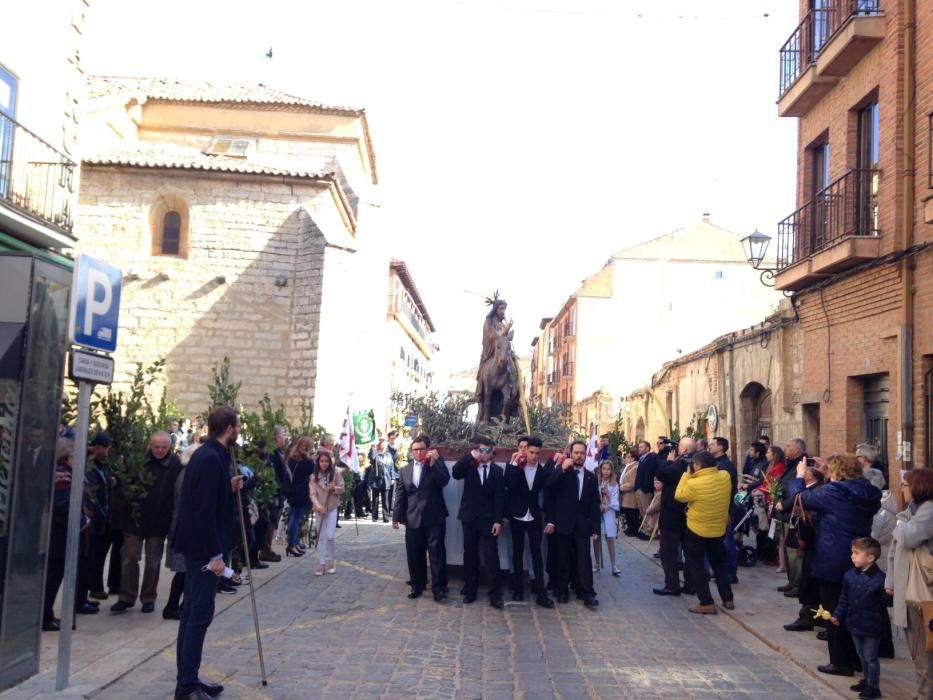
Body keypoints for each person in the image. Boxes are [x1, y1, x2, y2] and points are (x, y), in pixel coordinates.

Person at [171, 405, 243, 700]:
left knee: (191, 616)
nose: (238, 432)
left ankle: (188, 679)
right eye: (237, 427)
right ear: (228, 428)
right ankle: (186, 687)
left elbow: (209, 497)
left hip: (199, 546)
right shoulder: (211, 458)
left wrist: (229, 487)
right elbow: (202, 512)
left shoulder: (209, 455)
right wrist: (215, 555)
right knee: (198, 617)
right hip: (204, 550)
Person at [787, 453, 881, 678]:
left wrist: (799, 476)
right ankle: (857, 660)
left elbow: (799, 498)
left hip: (833, 558)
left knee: (834, 611)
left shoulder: (834, 492)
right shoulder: (865, 491)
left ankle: (840, 662)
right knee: (852, 609)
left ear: (837, 472)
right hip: (857, 553)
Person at [111, 432, 181, 614]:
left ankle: (148, 597)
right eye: (156, 446)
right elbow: (124, 485)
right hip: (134, 519)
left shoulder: (175, 464)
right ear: (150, 446)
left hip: (158, 521)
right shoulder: (138, 462)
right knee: (129, 557)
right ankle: (126, 596)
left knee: (153, 561)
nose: (159, 450)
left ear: (169, 447)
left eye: (164, 447)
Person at [886, 468, 933, 700]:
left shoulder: (928, 511)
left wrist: (899, 521)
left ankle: (926, 694)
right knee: (915, 646)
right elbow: (894, 552)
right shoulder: (911, 511)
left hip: (922, 591)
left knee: (923, 646)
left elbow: (908, 537)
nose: (902, 488)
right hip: (907, 586)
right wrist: (890, 580)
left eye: (905, 484)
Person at [674, 450, 735, 614]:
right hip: (718, 528)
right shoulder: (725, 477)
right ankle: (727, 598)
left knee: (697, 566)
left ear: (699, 465)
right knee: (719, 564)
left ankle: (706, 601)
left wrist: (687, 475)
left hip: (697, 529)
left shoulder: (694, 484)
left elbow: (679, 495)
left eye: (694, 464)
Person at [392, 435, 449, 602]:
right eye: (415, 450)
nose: (419, 452)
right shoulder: (405, 470)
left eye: (422, 449)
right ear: (412, 451)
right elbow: (401, 495)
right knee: (414, 554)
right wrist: (396, 516)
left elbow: (444, 481)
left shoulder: (437, 463)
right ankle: (417, 585)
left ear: (428, 449)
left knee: (436, 554)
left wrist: (433, 464)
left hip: (434, 517)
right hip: (413, 518)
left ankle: (438, 589)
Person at [452, 436, 506, 608]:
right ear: (477, 450)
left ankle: (495, 594)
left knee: (491, 557)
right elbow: (455, 473)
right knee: (470, 555)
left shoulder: (498, 471)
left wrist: (498, 521)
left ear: (492, 452)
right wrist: (470, 457)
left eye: (487, 450)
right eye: (481, 450)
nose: (484, 453)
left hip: (488, 521)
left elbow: (499, 498)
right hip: (469, 518)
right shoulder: (470, 466)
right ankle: (470, 590)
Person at [545, 440, 600, 608]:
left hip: (582, 526)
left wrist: (596, 528)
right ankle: (562, 591)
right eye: (576, 453)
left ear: (585, 455)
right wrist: (561, 468)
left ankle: (587, 593)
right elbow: (548, 485)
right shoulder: (563, 472)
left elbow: (594, 505)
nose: (579, 456)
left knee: (584, 559)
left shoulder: (591, 477)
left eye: (582, 453)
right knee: (564, 559)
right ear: (570, 453)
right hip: (563, 524)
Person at [832, 537, 887, 700]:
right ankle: (865, 679)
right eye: (852, 552)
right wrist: (837, 614)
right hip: (854, 621)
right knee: (861, 654)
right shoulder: (849, 575)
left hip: (872, 624)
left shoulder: (880, 579)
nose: (852, 556)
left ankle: (873, 686)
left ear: (870, 558)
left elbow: (885, 602)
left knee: (870, 656)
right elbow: (844, 598)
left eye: (856, 553)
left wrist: (889, 594)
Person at [503, 437, 554, 607]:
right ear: (526, 451)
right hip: (517, 515)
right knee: (517, 552)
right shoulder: (515, 467)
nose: (534, 455)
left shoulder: (543, 471)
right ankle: (518, 588)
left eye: (537, 453)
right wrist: (516, 466)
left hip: (534, 516)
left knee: (536, 553)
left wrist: (550, 520)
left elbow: (548, 495)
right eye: (531, 452)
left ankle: (541, 592)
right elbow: (509, 485)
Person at [163, 443, 202, 620]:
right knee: (184, 570)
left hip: (184, 528)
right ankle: (172, 606)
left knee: (186, 570)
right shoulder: (187, 476)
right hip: (183, 529)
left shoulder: (187, 474)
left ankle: (181, 605)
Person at [653, 437, 695, 597]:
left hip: (672, 514)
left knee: (668, 552)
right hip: (689, 513)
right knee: (690, 551)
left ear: (683, 450)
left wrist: (669, 461)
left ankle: (672, 585)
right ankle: (691, 584)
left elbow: (662, 473)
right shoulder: (698, 463)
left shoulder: (679, 464)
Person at [85, 432, 113, 603]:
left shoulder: (101, 464)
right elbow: (92, 492)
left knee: (98, 555)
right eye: (106, 447)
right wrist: (100, 513)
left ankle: (95, 586)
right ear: (98, 447)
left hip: (102, 516)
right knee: (92, 555)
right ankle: (92, 588)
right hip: (95, 518)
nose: (108, 451)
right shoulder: (90, 465)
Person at [310, 450, 345, 576]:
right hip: (320, 509)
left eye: (326, 461)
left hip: (331, 507)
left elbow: (342, 488)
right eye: (321, 461)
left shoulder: (335, 474)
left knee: (330, 535)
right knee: (321, 536)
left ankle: (331, 560)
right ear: (318, 462)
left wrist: (335, 488)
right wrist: (319, 507)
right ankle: (321, 562)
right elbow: (312, 494)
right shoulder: (314, 476)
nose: (324, 464)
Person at [710, 436, 739, 585]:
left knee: (727, 540)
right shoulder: (716, 463)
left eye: (713, 444)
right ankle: (720, 570)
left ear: (720, 447)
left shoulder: (726, 465)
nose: (710, 445)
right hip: (717, 507)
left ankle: (730, 572)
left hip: (725, 508)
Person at [259, 426, 289, 562]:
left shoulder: (276, 451)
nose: (286, 437)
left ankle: (267, 547)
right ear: (277, 437)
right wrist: (277, 488)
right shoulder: (271, 453)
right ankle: (265, 549)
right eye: (284, 435)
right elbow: (273, 472)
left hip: (278, 491)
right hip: (273, 491)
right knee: (270, 520)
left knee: (273, 521)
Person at [284, 436, 315, 557]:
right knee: (295, 520)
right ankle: (292, 545)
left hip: (293, 491)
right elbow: (313, 472)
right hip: (301, 491)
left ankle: (294, 543)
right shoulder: (306, 461)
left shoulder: (292, 459)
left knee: (294, 518)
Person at [594, 460, 620, 576]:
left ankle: (614, 565)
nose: (606, 471)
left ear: (611, 470)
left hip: (608, 513)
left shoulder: (614, 484)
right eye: (604, 469)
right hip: (597, 514)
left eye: (608, 469)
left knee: (610, 539)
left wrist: (607, 505)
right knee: (596, 538)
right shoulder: (596, 482)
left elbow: (615, 501)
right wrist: (598, 505)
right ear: (600, 470)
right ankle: (597, 563)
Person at [633, 440, 658, 541]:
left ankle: (649, 532)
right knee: (642, 511)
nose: (639, 449)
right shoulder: (642, 458)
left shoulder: (651, 458)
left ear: (647, 448)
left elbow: (649, 474)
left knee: (647, 511)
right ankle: (645, 530)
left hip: (645, 489)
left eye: (642, 447)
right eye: (639, 447)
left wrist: (645, 488)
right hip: (639, 488)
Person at [366, 439, 391, 522]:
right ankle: (374, 516)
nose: (384, 446)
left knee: (385, 500)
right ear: (379, 445)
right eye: (382, 444)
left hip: (385, 479)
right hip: (376, 480)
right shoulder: (375, 454)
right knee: (375, 500)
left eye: (385, 444)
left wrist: (393, 478)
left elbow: (392, 467)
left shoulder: (388, 455)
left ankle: (386, 517)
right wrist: (373, 448)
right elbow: (371, 457)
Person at [618, 449, 640, 537]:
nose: (626, 458)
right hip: (626, 495)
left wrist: (621, 488)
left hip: (631, 495)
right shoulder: (629, 466)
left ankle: (633, 530)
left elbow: (632, 483)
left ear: (633, 458)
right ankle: (630, 529)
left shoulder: (635, 467)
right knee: (628, 513)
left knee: (632, 514)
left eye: (628, 457)